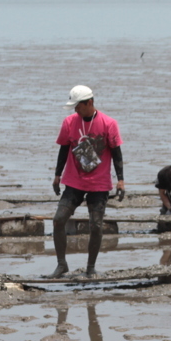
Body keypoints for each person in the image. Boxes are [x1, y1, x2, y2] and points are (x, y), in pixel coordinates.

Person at [50, 85, 125, 278]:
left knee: (96, 225)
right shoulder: (69, 122)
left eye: (78, 106)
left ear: (89, 102)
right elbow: (63, 150)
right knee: (58, 220)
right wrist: (57, 175)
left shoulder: (109, 123)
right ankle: (61, 264)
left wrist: (121, 180)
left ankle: (91, 267)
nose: (76, 110)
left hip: (98, 184)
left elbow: (117, 153)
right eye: (73, 107)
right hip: (74, 181)